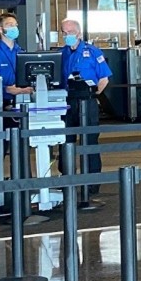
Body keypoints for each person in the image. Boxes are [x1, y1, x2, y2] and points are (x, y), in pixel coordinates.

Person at [58, 18, 112, 197]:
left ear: (79, 33)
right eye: (64, 33)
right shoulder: (62, 54)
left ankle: (92, 182)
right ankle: (66, 179)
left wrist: (93, 95)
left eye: (70, 33)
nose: (67, 36)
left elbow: (104, 78)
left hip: (87, 101)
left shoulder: (92, 51)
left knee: (89, 142)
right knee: (66, 141)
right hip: (67, 102)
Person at [0, 12, 32, 108]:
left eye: (15, 25)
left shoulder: (22, 52)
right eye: (10, 25)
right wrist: (6, 89)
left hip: (22, 101)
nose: (14, 28)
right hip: (0, 104)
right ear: (0, 29)